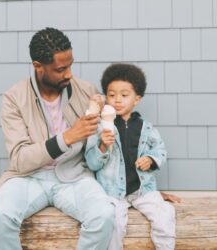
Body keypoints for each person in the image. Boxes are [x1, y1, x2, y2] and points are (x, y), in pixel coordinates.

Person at [0, 27, 116, 249]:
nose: (69, 74)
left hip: (75, 176)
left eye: (71, 65)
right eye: (61, 69)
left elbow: (99, 149)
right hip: (28, 177)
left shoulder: (86, 91)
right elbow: (20, 159)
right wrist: (67, 137)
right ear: (38, 66)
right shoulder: (13, 98)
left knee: (103, 215)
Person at [85, 63, 177, 250]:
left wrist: (151, 160)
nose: (117, 100)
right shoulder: (101, 127)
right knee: (113, 222)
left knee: (164, 214)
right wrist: (102, 145)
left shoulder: (146, 127)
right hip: (112, 193)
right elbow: (92, 163)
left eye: (124, 95)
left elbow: (160, 150)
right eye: (111, 95)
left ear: (137, 99)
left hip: (142, 190)